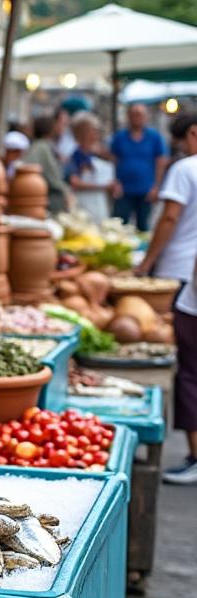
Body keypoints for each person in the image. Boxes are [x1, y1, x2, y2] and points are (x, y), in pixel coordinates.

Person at [150, 113, 197, 483]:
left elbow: (169, 218)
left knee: (190, 372)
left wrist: (147, 262)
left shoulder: (186, 169)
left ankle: (195, 457)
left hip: (184, 274)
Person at [110, 103, 169, 230]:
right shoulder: (120, 137)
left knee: (143, 226)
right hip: (124, 190)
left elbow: (161, 161)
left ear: (145, 117)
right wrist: (115, 181)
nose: (136, 117)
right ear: (128, 116)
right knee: (120, 224)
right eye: (133, 114)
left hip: (146, 189)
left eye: (139, 114)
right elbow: (113, 160)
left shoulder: (154, 137)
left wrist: (156, 186)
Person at [64, 113, 117, 222]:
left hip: (99, 205)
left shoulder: (96, 154)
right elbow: (74, 182)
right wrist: (103, 186)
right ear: (82, 133)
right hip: (84, 207)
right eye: (93, 130)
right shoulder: (76, 156)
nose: (96, 134)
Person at [23, 115, 73, 214]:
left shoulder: (41, 146)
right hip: (47, 202)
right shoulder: (42, 147)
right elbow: (53, 177)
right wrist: (66, 192)